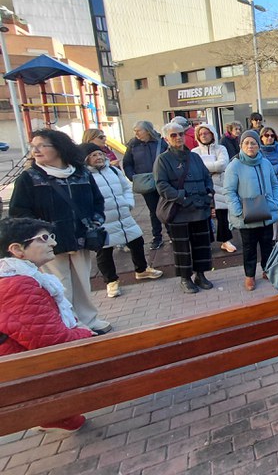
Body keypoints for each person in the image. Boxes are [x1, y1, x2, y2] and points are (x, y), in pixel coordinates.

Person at [9, 129, 111, 334]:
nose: (36, 150)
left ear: (59, 147)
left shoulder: (81, 173)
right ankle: (70, 324)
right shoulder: (29, 178)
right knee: (60, 285)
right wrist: (41, 233)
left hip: (81, 238)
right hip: (49, 243)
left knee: (82, 282)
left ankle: (89, 320)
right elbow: (19, 212)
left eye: (42, 145)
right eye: (33, 146)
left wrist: (95, 221)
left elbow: (97, 201)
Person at [0, 217, 94, 433]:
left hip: (20, 365)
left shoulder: (19, 277)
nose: (52, 242)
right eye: (44, 238)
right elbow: (53, 341)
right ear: (16, 249)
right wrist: (86, 334)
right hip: (22, 371)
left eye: (51, 237)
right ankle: (55, 413)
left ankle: (57, 415)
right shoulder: (18, 285)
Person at [81, 144, 163, 298]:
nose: (98, 157)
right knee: (104, 251)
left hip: (123, 215)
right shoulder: (84, 176)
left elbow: (126, 187)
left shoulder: (113, 170)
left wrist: (128, 203)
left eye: (100, 154)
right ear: (86, 159)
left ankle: (142, 270)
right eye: (94, 155)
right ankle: (111, 281)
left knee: (137, 241)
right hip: (103, 220)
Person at [154, 121, 215, 294]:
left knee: (202, 245)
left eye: (181, 134)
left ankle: (201, 275)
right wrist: (182, 198)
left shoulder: (194, 157)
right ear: (167, 139)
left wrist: (209, 194)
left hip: (200, 209)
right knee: (182, 248)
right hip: (179, 211)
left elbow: (206, 177)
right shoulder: (162, 160)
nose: (178, 138)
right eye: (174, 135)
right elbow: (162, 186)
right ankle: (185, 278)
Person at [224, 130, 278, 291]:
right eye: (246, 142)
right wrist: (237, 211)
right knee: (249, 248)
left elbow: (274, 184)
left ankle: (267, 270)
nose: (250, 146)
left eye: (253, 142)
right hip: (246, 215)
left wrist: (276, 202)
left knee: (267, 245)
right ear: (241, 145)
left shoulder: (265, 163)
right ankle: (249, 276)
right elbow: (229, 191)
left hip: (266, 212)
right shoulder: (234, 165)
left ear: (258, 145)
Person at [122, 120, 168, 250]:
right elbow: (127, 163)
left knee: (168, 207)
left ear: (147, 130)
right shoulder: (133, 145)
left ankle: (171, 233)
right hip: (145, 183)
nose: (136, 133)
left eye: (138, 130)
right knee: (154, 211)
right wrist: (133, 177)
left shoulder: (161, 142)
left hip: (162, 181)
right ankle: (157, 237)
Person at [192, 123, 236, 253]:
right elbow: (195, 168)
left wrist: (204, 167)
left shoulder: (221, 148)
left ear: (212, 134)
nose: (203, 136)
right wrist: (212, 167)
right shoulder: (194, 152)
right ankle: (207, 242)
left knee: (223, 214)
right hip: (202, 186)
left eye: (206, 133)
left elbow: (222, 165)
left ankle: (225, 240)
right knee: (204, 215)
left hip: (220, 185)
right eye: (200, 134)